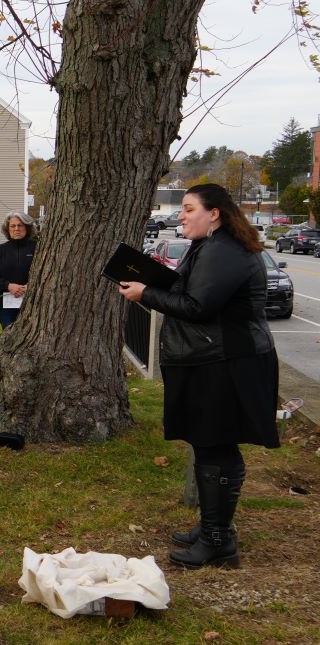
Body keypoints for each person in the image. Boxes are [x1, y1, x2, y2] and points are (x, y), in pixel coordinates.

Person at [119, 183, 278, 569]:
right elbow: (189, 288)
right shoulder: (211, 245)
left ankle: (218, 539)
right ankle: (215, 528)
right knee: (211, 444)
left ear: (215, 213)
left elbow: (198, 305)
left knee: (216, 444)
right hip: (215, 358)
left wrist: (146, 293)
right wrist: (150, 276)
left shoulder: (225, 250)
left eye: (189, 208)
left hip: (226, 362)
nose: (181, 215)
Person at [0, 211, 37, 329]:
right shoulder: (0, 250)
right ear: (7, 229)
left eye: (20, 225)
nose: (16, 229)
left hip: (32, 301)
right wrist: (9, 286)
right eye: (12, 226)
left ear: (27, 227)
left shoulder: (37, 248)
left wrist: (30, 286)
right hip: (6, 303)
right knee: (9, 335)